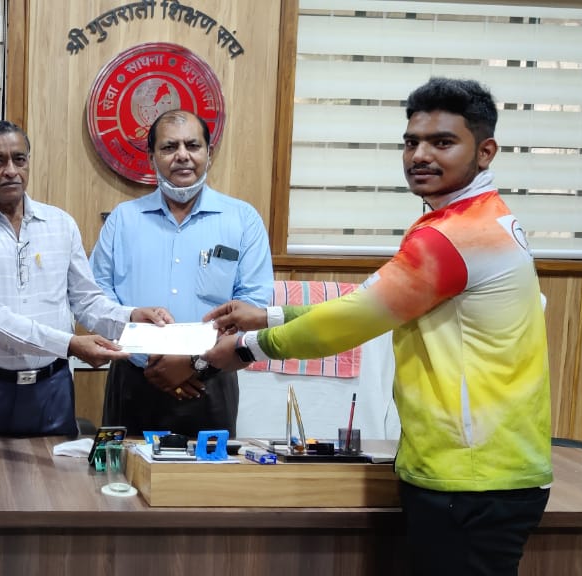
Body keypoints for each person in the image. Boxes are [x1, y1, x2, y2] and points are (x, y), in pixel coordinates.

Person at [202, 78, 552, 576]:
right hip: (485, 471)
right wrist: (269, 314)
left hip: (473, 478)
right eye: (412, 142)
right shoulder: (474, 219)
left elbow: (353, 320)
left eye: (442, 142)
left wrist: (247, 348)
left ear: (486, 151)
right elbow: (375, 300)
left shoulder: (455, 236)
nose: (420, 155)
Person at [0, 120, 172, 436]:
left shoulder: (60, 224)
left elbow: (86, 301)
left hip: (51, 387)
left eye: (19, 159)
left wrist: (130, 317)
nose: (10, 170)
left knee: (54, 482)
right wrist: (71, 344)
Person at [90, 109, 272, 437]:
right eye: (169, 147)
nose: (183, 156)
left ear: (209, 153)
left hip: (211, 382)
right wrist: (151, 359)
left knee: (208, 486)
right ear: (152, 157)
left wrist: (194, 362)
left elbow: (253, 305)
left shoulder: (243, 220)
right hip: (134, 380)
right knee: (121, 483)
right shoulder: (123, 220)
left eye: (193, 145)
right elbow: (96, 296)